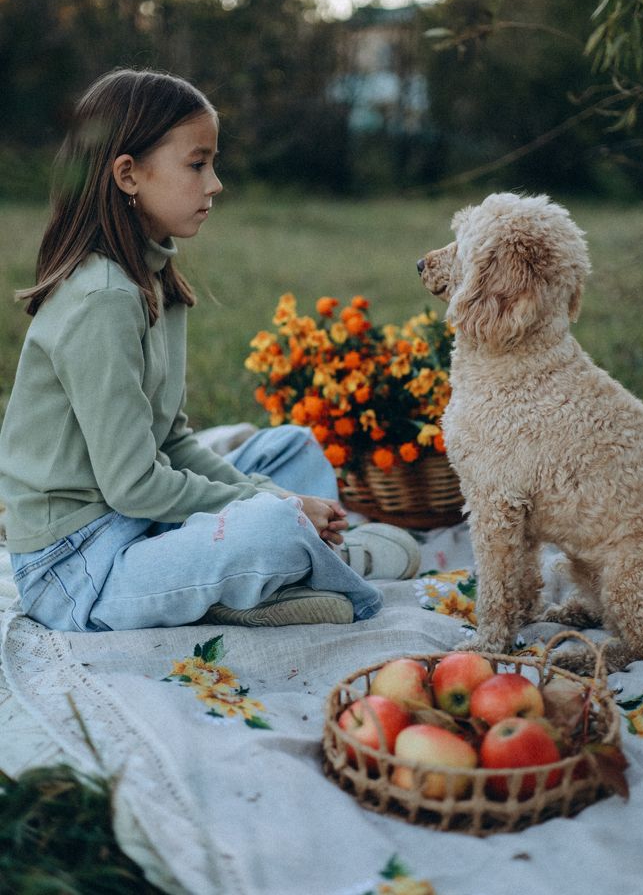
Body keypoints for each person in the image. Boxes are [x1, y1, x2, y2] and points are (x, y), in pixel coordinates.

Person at [0, 68, 420, 633]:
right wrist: (274, 509)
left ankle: (267, 571)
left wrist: (273, 491)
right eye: (197, 164)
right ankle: (312, 562)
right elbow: (135, 485)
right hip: (78, 568)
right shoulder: (101, 301)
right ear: (128, 174)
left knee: (293, 448)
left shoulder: (154, 280)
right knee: (270, 529)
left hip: (140, 522)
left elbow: (170, 440)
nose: (215, 183)